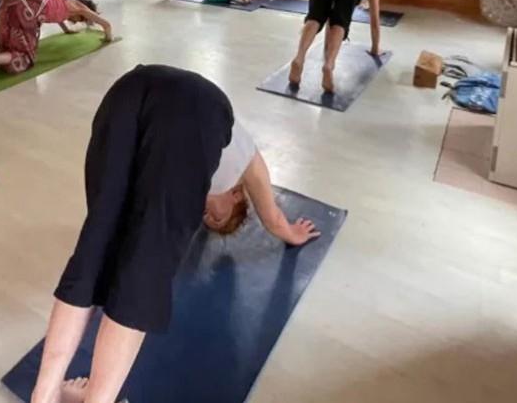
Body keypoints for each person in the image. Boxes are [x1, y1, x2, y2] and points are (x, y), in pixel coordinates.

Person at [30, 65, 320, 403]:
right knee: (144, 274)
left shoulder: (199, 169)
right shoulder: (250, 167)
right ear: (238, 196)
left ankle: (44, 394)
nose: (205, 215)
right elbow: (273, 218)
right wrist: (293, 234)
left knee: (96, 243)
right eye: (216, 215)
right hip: (196, 109)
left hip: (127, 89)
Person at [0, 0, 115, 84]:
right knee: (25, 57)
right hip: (26, 8)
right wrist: (108, 36)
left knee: (8, 45)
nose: (76, 22)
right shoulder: (78, 6)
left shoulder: (63, 1)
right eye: (79, 20)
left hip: (10, 0)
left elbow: (57, 16)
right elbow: (106, 25)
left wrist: (67, 30)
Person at [288, 0, 382, 93]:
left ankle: (299, 57)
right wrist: (375, 49)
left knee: (315, 16)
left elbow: (327, 17)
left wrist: (327, 45)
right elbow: (375, 20)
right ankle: (329, 65)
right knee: (340, 20)